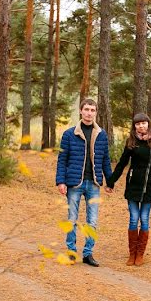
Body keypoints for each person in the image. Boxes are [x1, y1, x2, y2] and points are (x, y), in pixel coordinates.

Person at [55, 98, 113, 267]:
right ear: (81, 111)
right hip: (74, 183)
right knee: (72, 218)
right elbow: (62, 160)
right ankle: (71, 251)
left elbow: (105, 161)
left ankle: (88, 253)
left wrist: (110, 181)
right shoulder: (69, 134)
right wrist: (61, 181)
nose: (89, 113)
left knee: (92, 221)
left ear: (96, 113)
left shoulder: (101, 134)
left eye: (92, 110)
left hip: (94, 183)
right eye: (86, 109)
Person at [106, 113, 151, 266]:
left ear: (148, 124)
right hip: (133, 186)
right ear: (134, 126)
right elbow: (122, 163)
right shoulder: (131, 142)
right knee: (134, 218)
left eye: (144, 123)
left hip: (149, 187)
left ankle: (140, 254)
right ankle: (132, 253)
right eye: (138, 124)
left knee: (144, 219)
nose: (141, 126)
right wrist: (111, 182)